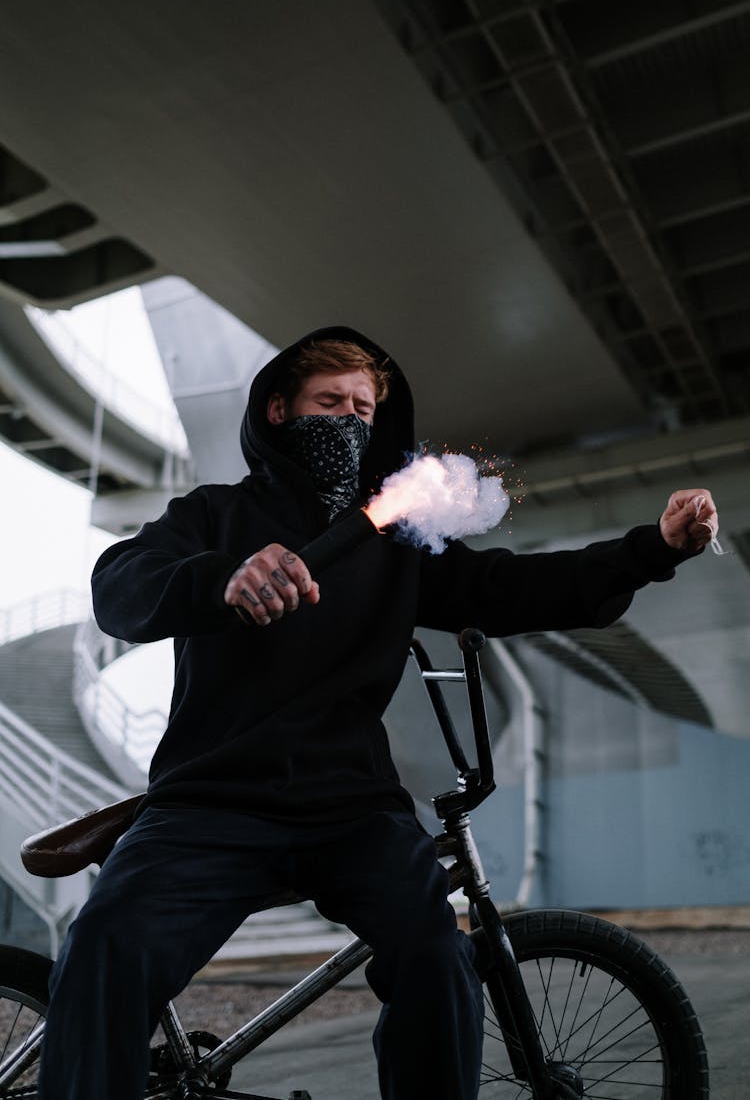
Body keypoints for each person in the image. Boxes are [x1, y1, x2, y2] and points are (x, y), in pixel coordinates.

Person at [38, 325, 719, 1100]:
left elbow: (512, 587)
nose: (351, 420)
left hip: (351, 806)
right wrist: (221, 579)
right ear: (277, 411)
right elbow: (118, 583)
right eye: (330, 402)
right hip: (210, 801)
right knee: (102, 946)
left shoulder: (396, 543)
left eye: (364, 408)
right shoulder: (215, 515)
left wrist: (651, 548)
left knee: (437, 954)